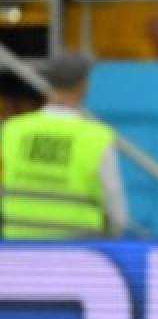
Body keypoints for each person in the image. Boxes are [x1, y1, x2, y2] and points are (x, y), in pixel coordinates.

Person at [0, 53, 127, 239]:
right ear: (84, 84)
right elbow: (117, 212)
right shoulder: (97, 137)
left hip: (19, 247)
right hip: (76, 250)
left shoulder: (12, 130)